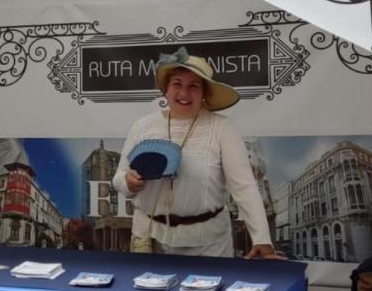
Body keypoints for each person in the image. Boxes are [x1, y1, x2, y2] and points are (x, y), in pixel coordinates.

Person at [113, 47, 282, 259]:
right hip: (150, 241)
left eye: (193, 86)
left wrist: (262, 240)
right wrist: (128, 182)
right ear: (165, 90)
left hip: (209, 247)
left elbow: (244, 187)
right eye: (177, 84)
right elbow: (119, 179)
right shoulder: (143, 127)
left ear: (204, 94)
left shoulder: (222, 127)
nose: (184, 93)